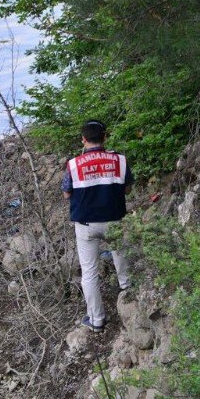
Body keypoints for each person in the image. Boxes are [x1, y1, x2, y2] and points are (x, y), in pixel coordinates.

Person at [61, 120, 132, 332]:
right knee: (122, 259)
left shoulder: (74, 164)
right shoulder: (119, 159)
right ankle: (129, 296)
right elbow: (127, 189)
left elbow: (66, 192)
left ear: (83, 139)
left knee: (89, 273)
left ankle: (97, 320)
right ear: (105, 137)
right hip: (114, 220)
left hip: (86, 224)